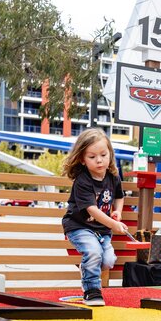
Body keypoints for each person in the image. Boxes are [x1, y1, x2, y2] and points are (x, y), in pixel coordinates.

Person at [62, 128, 129, 306]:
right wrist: (113, 224)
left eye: (103, 155)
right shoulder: (82, 181)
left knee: (107, 260)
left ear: (110, 154)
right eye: (92, 157)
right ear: (82, 160)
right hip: (79, 226)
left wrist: (118, 212)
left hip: (101, 229)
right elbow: (91, 209)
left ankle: (87, 269)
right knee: (93, 253)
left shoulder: (113, 177)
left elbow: (119, 196)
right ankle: (92, 291)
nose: (99, 160)